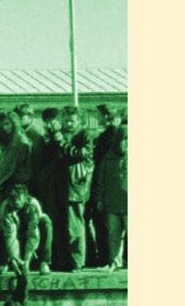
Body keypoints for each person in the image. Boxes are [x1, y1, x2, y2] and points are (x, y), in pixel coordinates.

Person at [42, 106, 94, 272]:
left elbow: (79, 154)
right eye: (65, 121)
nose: (68, 124)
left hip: (74, 187)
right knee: (57, 224)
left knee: (74, 226)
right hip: (57, 185)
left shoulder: (85, 136)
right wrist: (51, 137)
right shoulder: (60, 134)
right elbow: (49, 156)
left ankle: (76, 261)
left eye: (71, 121)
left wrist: (61, 142)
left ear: (79, 121)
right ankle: (60, 260)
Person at [0, 184, 52, 275]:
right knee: (0, 228)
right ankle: (5, 262)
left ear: (25, 198)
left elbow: (33, 234)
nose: (15, 202)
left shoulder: (33, 205)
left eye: (18, 201)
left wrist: (27, 260)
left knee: (45, 221)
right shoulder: (5, 207)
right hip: (17, 232)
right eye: (12, 201)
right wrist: (14, 258)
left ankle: (44, 262)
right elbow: (10, 235)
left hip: (32, 231)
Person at [94, 121, 128, 270]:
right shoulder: (108, 158)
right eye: (124, 139)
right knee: (113, 235)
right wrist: (99, 199)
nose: (126, 143)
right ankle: (115, 261)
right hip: (112, 203)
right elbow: (100, 180)